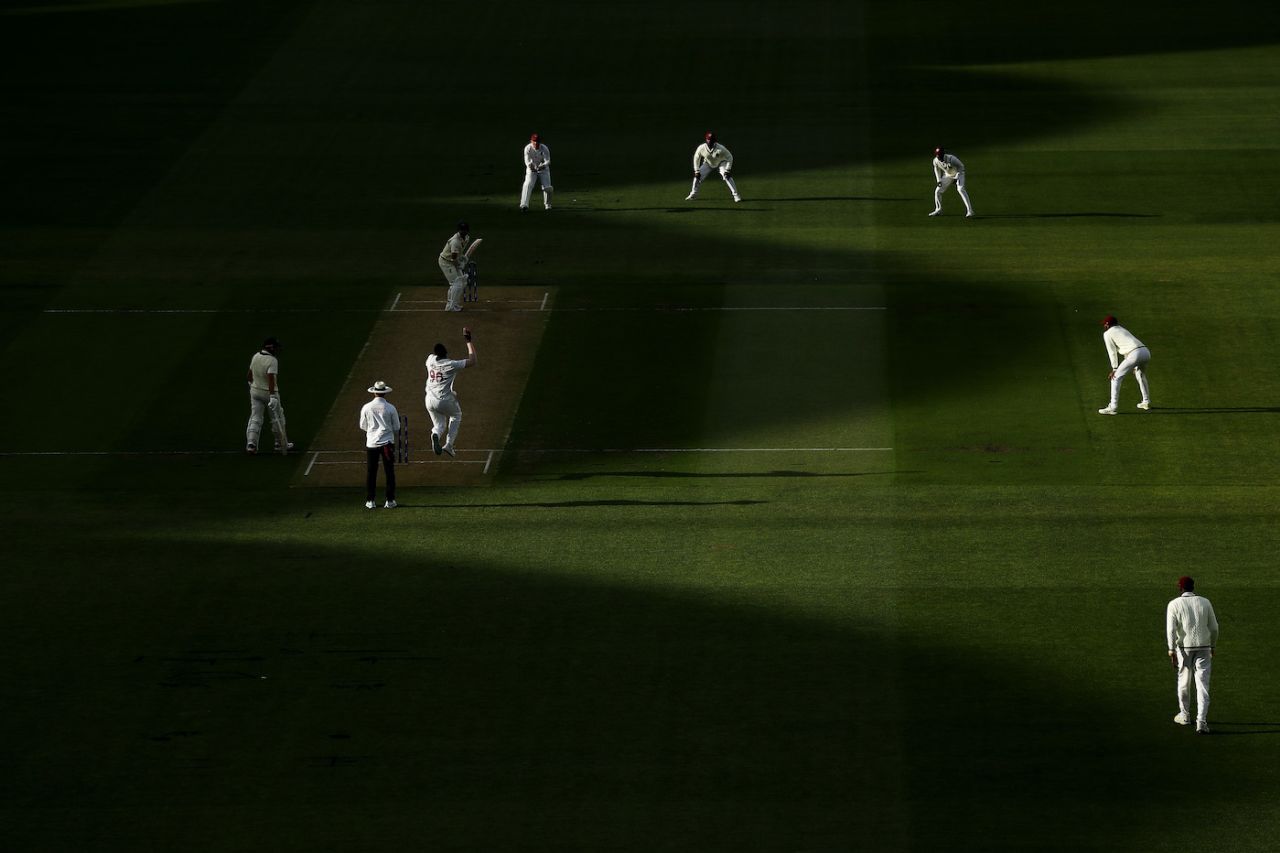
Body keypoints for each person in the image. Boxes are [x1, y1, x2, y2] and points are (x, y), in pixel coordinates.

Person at [1166, 576, 1219, 734]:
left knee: (1184, 682)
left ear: (1180, 587)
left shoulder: (1174, 604)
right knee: (1203, 685)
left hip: (1184, 649)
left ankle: (1185, 715)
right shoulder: (1205, 602)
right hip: (1204, 647)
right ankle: (1201, 721)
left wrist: (1171, 650)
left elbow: (1171, 630)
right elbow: (1214, 628)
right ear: (1193, 587)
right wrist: (1213, 645)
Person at [424, 327, 477, 458]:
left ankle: (435, 434)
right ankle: (449, 444)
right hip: (444, 399)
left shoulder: (430, 359)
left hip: (429, 399)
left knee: (439, 425)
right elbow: (473, 361)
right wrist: (468, 341)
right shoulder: (451, 364)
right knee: (456, 415)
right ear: (446, 353)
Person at [245, 336, 293, 455]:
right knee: (277, 418)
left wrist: (253, 386)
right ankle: (280, 443)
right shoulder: (272, 360)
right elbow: (271, 379)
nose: (277, 350)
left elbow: (249, 375)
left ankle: (251, 444)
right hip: (269, 393)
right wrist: (272, 396)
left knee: (255, 417)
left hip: (255, 391)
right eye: (275, 348)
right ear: (271, 348)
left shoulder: (256, 356)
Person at [359, 380, 401, 509]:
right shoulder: (390, 408)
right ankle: (390, 500)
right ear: (385, 393)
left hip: (372, 443)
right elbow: (397, 426)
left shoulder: (366, 407)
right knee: (389, 472)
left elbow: (362, 425)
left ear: (374, 393)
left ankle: (370, 500)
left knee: (371, 472)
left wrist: (373, 432)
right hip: (387, 443)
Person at [1098, 315, 1152, 414]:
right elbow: (1128, 345)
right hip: (1145, 352)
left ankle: (1113, 407)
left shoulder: (1107, 334)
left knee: (1115, 377)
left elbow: (1112, 352)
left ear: (1107, 324)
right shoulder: (1122, 329)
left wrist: (1114, 369)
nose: (1104, 326)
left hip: (1135, 354)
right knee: (1140, 375)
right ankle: (1146, 401)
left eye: (1104, 324)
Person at [686, 132, 741, 203]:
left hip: (721, 162)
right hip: (708, 163)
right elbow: (696, 158)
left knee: (727, 176)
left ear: (714, 140)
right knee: (697, 176)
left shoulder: (721, 148)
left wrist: (727, 170)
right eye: (708, 139)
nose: (709, 141)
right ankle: (693, 194)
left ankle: (736, 195)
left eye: (711, 140)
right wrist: (696, 170)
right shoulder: (701, 148)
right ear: (706, 139)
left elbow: (730, 157)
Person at [438, 221, 474, 312]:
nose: (463, 231)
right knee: (456, 283)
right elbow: (453, 258)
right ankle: (451, 307)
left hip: (453, 260)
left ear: (467, 230)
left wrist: (462, 258)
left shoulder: (466, 238)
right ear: (458, 230)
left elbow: (459, 251)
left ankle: (453, 304)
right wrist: (460, 265)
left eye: (465, 230)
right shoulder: (455, 241)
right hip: (446, 262)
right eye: (461, 230)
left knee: (462, 283)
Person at [930, 146, 974, 217]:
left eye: (940, 156)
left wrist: (957, 177)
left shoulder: (951, 158)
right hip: (948, 175)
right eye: (938, 156)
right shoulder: (935, 161)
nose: (939, 158)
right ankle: (938, 209)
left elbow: (961, 166)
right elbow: (936, 169)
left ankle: (970, 211)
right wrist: (939, 180)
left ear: (943, 154)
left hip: (959, 173)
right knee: (938, 191)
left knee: (960, 189)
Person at [520, 132, 552, 211]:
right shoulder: (527, 148)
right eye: (534, 141)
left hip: (543, 169)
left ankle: (548, 205)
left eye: (537, 141)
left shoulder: (544, 148)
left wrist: (543, 166)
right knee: (528, 184)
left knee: (547, 187)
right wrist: (530, 166)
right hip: (532, 169)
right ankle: (524, 205)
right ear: (531, 141)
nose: (536, 143)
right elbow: (527, 161)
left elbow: (548, 161)